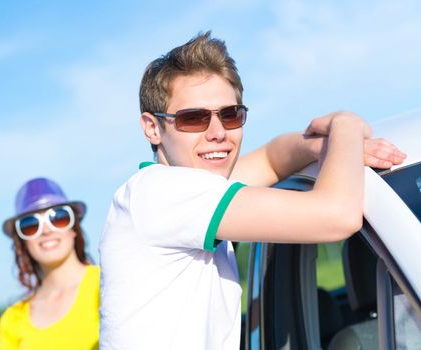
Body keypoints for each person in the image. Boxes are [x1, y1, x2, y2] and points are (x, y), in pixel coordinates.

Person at [98, 32, 406, 349]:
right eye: (194, 119)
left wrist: (326, 147)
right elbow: (338, 216)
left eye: (230, 115)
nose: (218, 133)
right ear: (152, 128)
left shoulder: (176, 189)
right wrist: (346, 125)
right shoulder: (164, 192)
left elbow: (272, 160)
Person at [0, 177, 100, 350]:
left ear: (74, 227)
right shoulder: (13, 319)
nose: (46, 230)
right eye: (30, 224)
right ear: (21, 241)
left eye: (58, 217)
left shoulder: (110, 283)